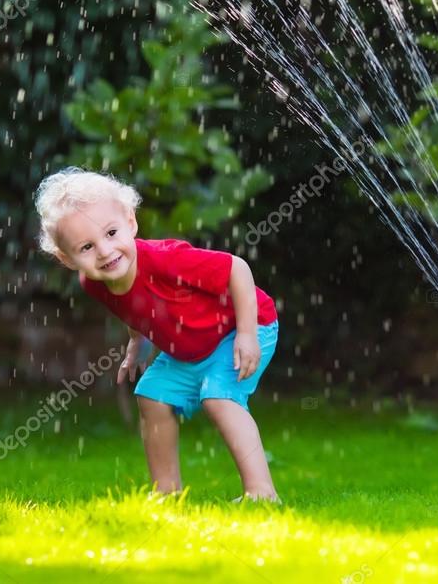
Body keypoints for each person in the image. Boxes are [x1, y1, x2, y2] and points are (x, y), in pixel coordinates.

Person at [34, 167, 281, 502]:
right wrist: (136, 342)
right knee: (151, 394)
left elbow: (237, 269)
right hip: (190, 347)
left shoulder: (167, 260)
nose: (105, 252)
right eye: (87, 247)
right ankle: (167, 494)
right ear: (67, 258)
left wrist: (248, 335)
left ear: (131, 223)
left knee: (220, 397)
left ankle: (262, 493)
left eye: (111, 233)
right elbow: (132, 306)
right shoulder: (93, 282)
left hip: (245, 325)